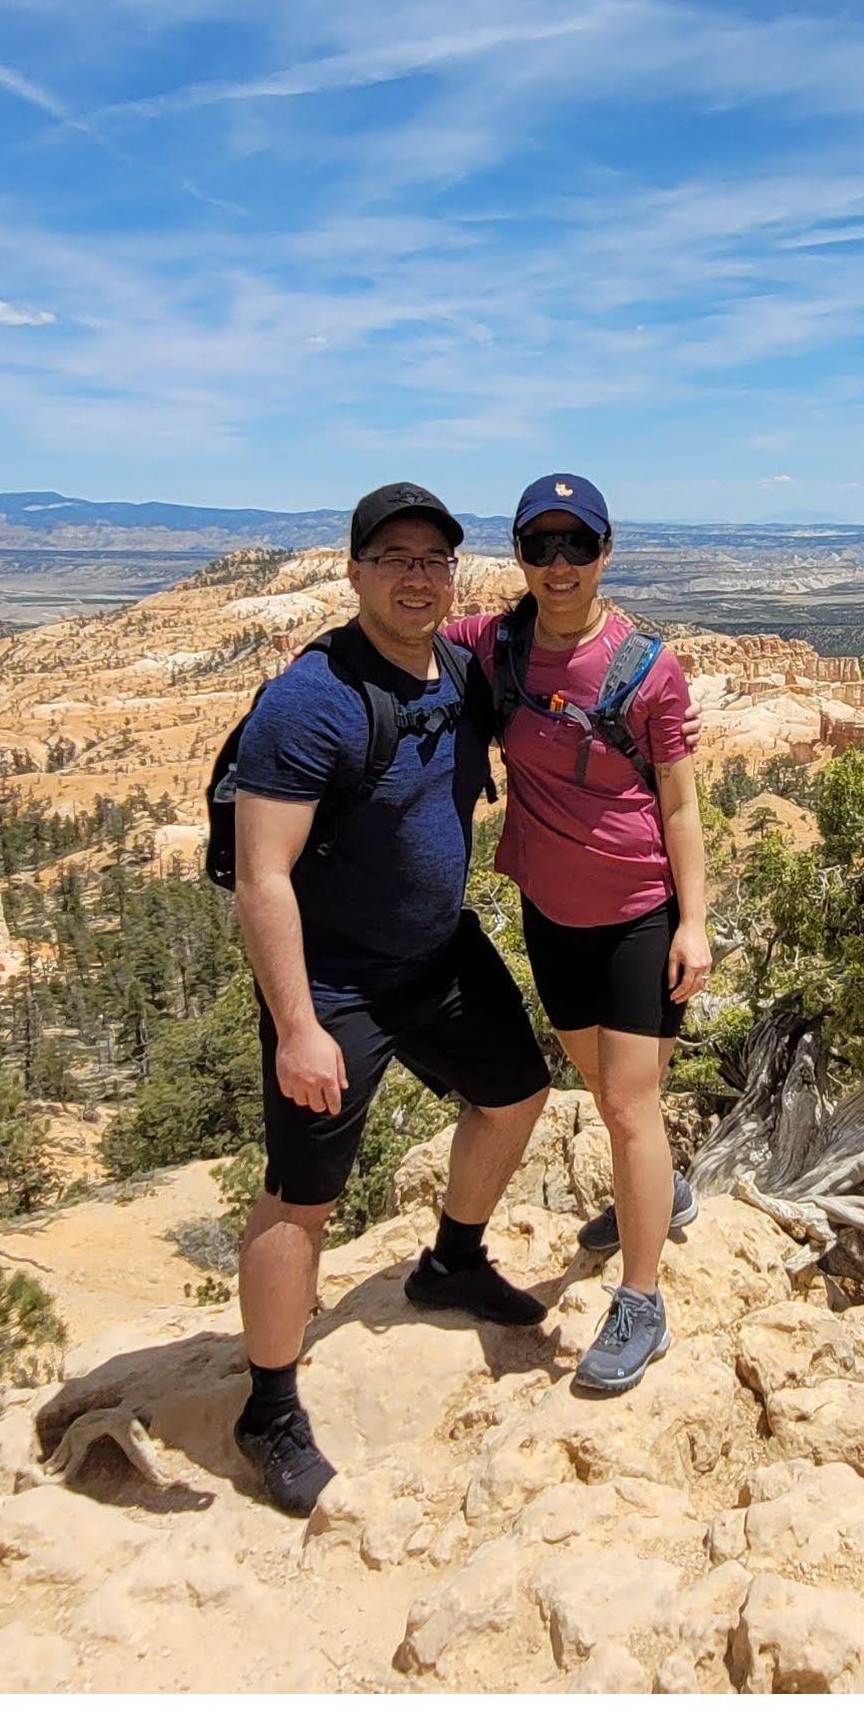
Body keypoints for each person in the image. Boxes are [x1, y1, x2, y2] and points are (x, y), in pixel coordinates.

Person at [219, 479, 555, 1516]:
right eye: (395, 557)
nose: (417, 575)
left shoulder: (457, 667)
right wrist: (297, 1028)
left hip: (435, 954)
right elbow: (262, 872)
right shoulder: (310, 698)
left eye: (433, 559)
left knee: (515, 1091)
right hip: (335, 983)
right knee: (302, 1193)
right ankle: (267, 1408)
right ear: (355, 569)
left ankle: (451, 1261)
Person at [465, 469, 712, 1398]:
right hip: (550, 908)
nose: (559, 563)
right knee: (599, 1079)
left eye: (577, 544)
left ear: (605, 552)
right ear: (520, 555)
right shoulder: (496, 647)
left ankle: (641, 1301)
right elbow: (403, 640)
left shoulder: (649, 668)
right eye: (540, 545)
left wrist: (694, 920)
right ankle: (666, 1193)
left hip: (638, 912)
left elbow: (681, 805)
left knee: (627, 1104)